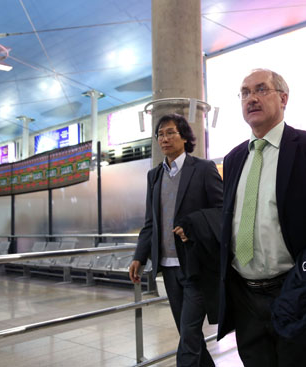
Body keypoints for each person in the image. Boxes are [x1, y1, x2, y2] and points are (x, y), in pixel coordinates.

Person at [216, 68, 306, 367]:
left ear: (283, 98)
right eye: (245, 93)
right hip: (245, 298)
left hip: (298, 292)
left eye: (261, 89)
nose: (251, 98)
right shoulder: (233, 160)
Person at [129, 114, 223, 367]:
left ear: (184, 136)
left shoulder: (203, 168)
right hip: (169, 268)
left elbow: (222, 210)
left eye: (170, 132)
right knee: (188, 334)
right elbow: (151, 221)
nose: (164, 138)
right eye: (160, 134)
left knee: (190, 335)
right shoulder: (154, 176)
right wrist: (140, 256)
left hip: (197, 265)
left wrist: (194, 225)